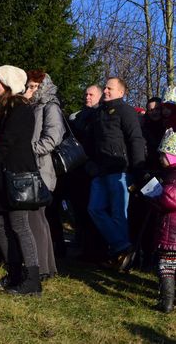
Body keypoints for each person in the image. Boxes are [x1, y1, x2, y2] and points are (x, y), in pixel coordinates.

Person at [0, 65, 41, 296]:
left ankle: (32, 279)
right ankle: (14, 273)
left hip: (15, 175)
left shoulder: (20, 109)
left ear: (10, 84)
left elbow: (5, 143)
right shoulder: (3, 109)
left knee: (19, 225)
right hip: (0, 175)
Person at [87, 77, 146, 271]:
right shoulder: (98, 114)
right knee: (94, 209)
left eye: (110, 89)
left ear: (121, 92)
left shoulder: (125, 111)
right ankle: (124, 248)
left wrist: (138, 169)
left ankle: (120, 257)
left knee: (119, 214)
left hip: (120, 171)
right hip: (100, 171)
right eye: (105, 88)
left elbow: (136, 140)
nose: (105, 91)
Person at [24, 71, 64, 280]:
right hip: (33, 168)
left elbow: (53, 138)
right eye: (27, 86)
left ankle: (42, 268)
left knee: (36, 217)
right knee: (38, 218)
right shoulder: (34, 107)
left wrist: (28, 150)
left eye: (33, 87)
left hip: (41, 170)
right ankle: (47, 267)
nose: (28, 90)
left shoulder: (50, 106)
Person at [67, 85, 105, 261]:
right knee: (79, 210)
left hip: (93, 169)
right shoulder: (79, 116)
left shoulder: (102, 116)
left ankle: (93, 249)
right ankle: (82, 244)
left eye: (91, 94)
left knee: (92, 211)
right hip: (77, 169)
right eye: (86, 94)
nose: (87, 97)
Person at [153, 129, 176, 313]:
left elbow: (170, 198)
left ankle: (167, 302)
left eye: (164, 155)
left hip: (171, 234)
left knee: (166, 267)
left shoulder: (173, 176)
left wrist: (158, 195)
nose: (161, 158)